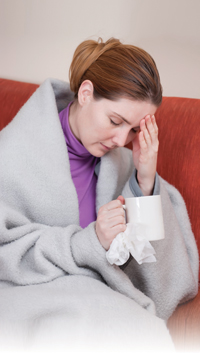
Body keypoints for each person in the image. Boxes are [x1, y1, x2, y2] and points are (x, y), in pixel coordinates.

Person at [0, 37, 198, 352]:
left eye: (134, 130)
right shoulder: (12, 153)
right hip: (27, 295)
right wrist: (89, 241)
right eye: (115, 121)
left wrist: (144, 182)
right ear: (86, 92)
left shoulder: (120, 164)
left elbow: (164, 282)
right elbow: (6, 254)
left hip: (96, 300)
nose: (121, 139)